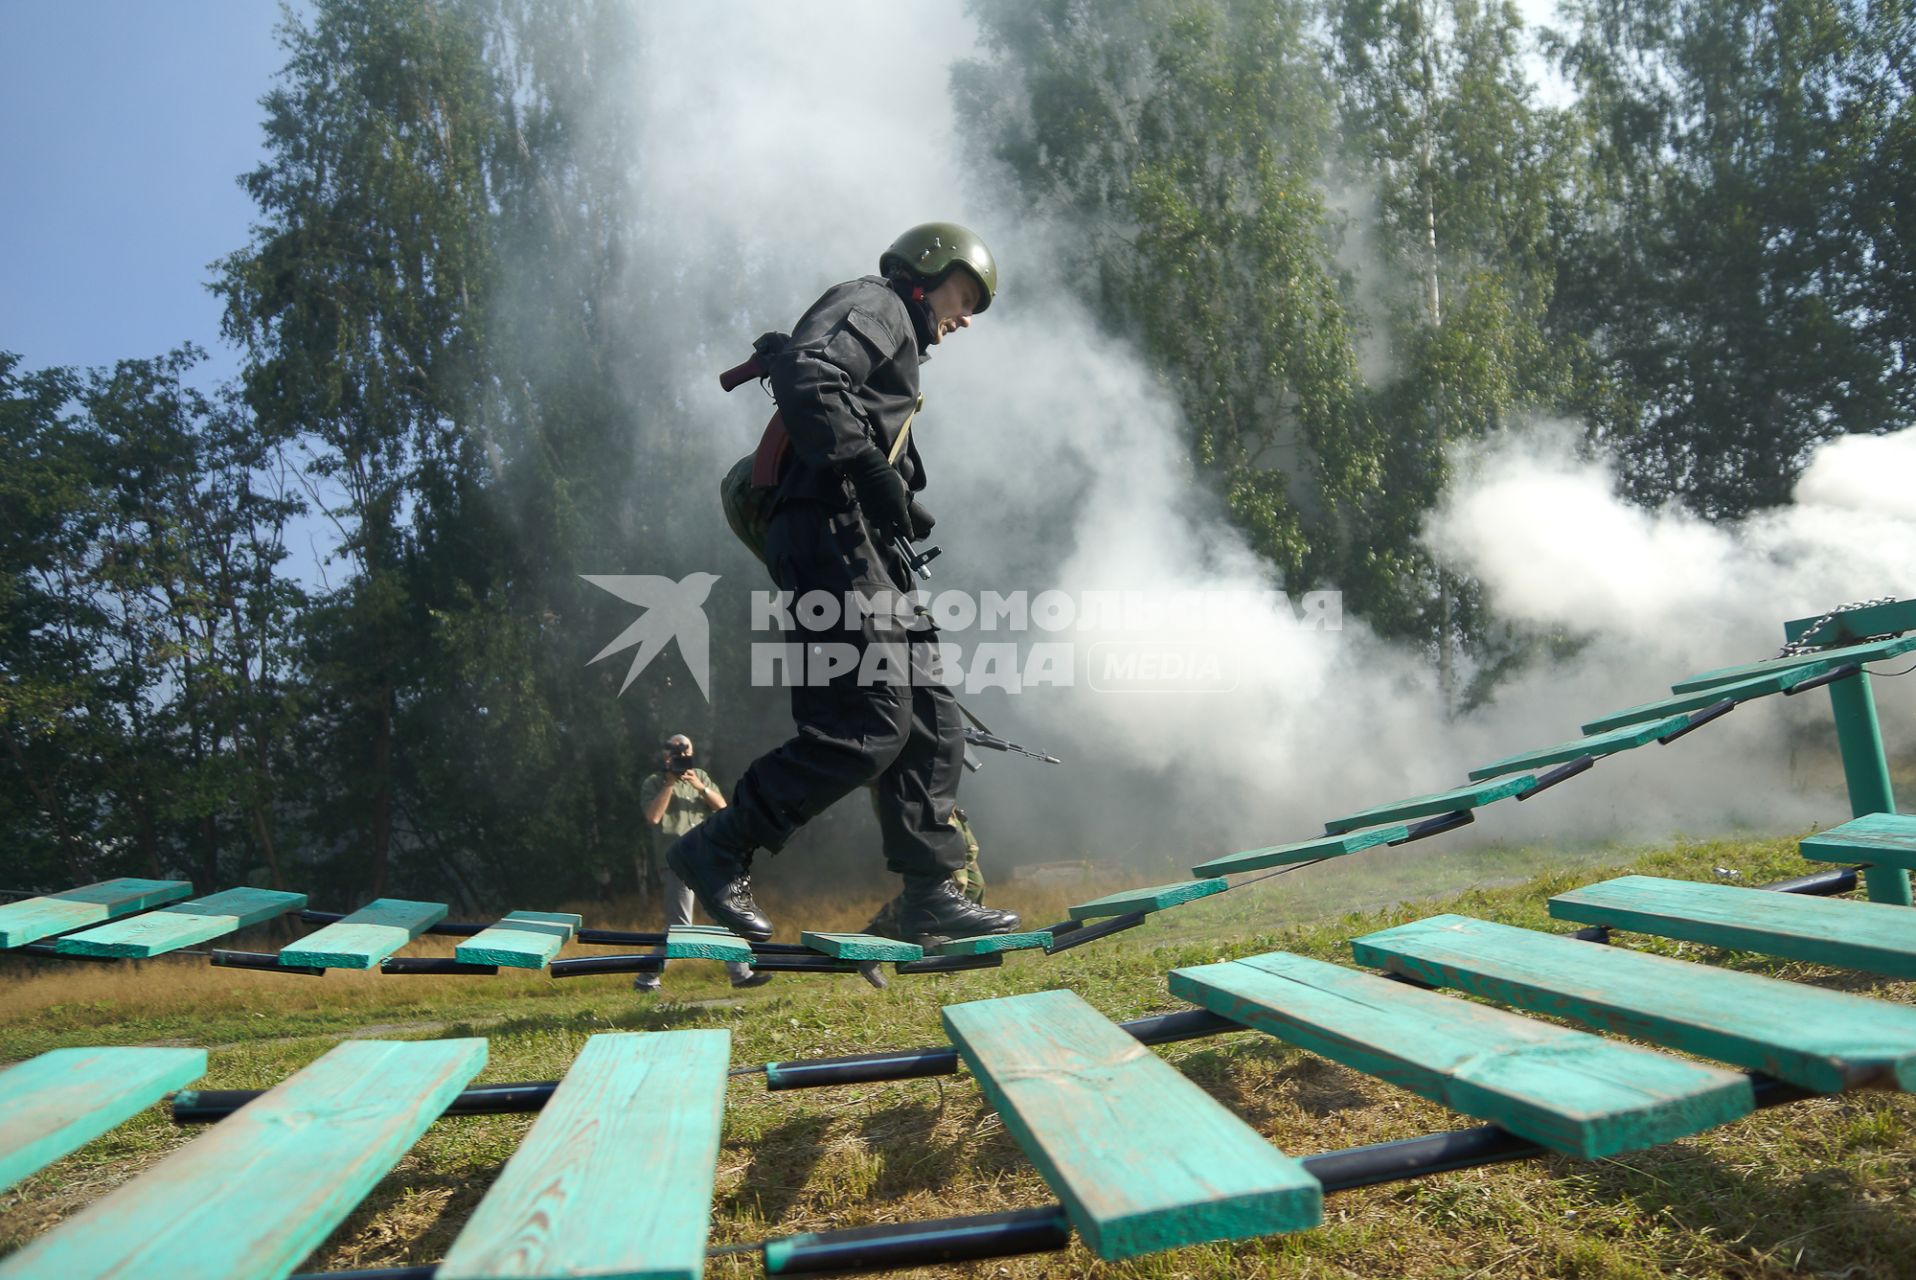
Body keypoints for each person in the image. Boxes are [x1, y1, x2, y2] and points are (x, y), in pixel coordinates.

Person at [669, 223, 1021, 947]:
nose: (961, 321)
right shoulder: (879, 303)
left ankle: (931, 894)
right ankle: (719, 845)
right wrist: (869, 472)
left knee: (931, 719)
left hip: (866, 547)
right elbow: (810, 375)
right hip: (829, 532)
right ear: (927, 272)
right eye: (963, 299)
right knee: (869, 721)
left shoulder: (895, 343)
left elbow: (846, 407)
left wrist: (897, 490)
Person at [636, 734, 771, 992]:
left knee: (726, 913)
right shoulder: (654, 782)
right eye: (673, 750)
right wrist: (669, 784)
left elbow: (723, 808)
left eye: (684, 750)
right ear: (664, 754)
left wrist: (699, 787)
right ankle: (646, 978)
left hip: (706, 859)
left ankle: (741, 975)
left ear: (691, 752)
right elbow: (653, 818)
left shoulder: (700, 777)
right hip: (676, 861)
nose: (678, 755)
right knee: (680, 925)